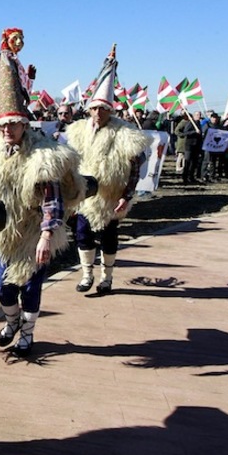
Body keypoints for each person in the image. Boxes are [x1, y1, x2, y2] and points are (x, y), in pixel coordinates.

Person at [0, 33, 84, 357]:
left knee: (31, 287)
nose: (8, 131)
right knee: (3, 287)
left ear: (24, 124)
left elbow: (52, 199)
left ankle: (27, 334)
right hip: (4, 232)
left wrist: (47, 235)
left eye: (14, 125)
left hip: (33, 230)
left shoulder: (42, 156)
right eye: (3, 126)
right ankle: (12, 320)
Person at [66, 46, 150, 295]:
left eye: (103, 109)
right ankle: (87, 274)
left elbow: (136, 164)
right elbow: (70, 161)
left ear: (110, 110)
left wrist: (127, 195)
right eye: (95, 108)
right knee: (82, 234)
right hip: (84, 195)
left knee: (109, 237)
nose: (98, 113)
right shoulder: (78, 130)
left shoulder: (124, 132)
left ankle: (107, 277)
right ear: (89, 109)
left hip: (111, 196)